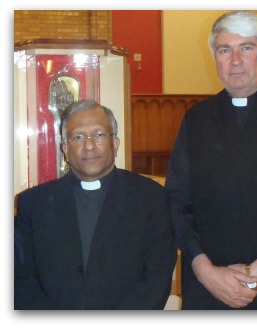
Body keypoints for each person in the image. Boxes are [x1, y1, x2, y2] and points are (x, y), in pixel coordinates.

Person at [165, 10, 257, 310]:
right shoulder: (197, 119)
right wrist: (203, 269)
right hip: (209, 288)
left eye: (247, 47)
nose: (235, 60)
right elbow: (176, 201)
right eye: (224, 50)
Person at [14, 100, 177, 310]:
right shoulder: (33, 204)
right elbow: (19, 279)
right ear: (65, 148)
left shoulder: (151, 198)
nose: (89, 146)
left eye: (99, 135)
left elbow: (157, 277)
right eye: (78, 137)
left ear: (115, 144)